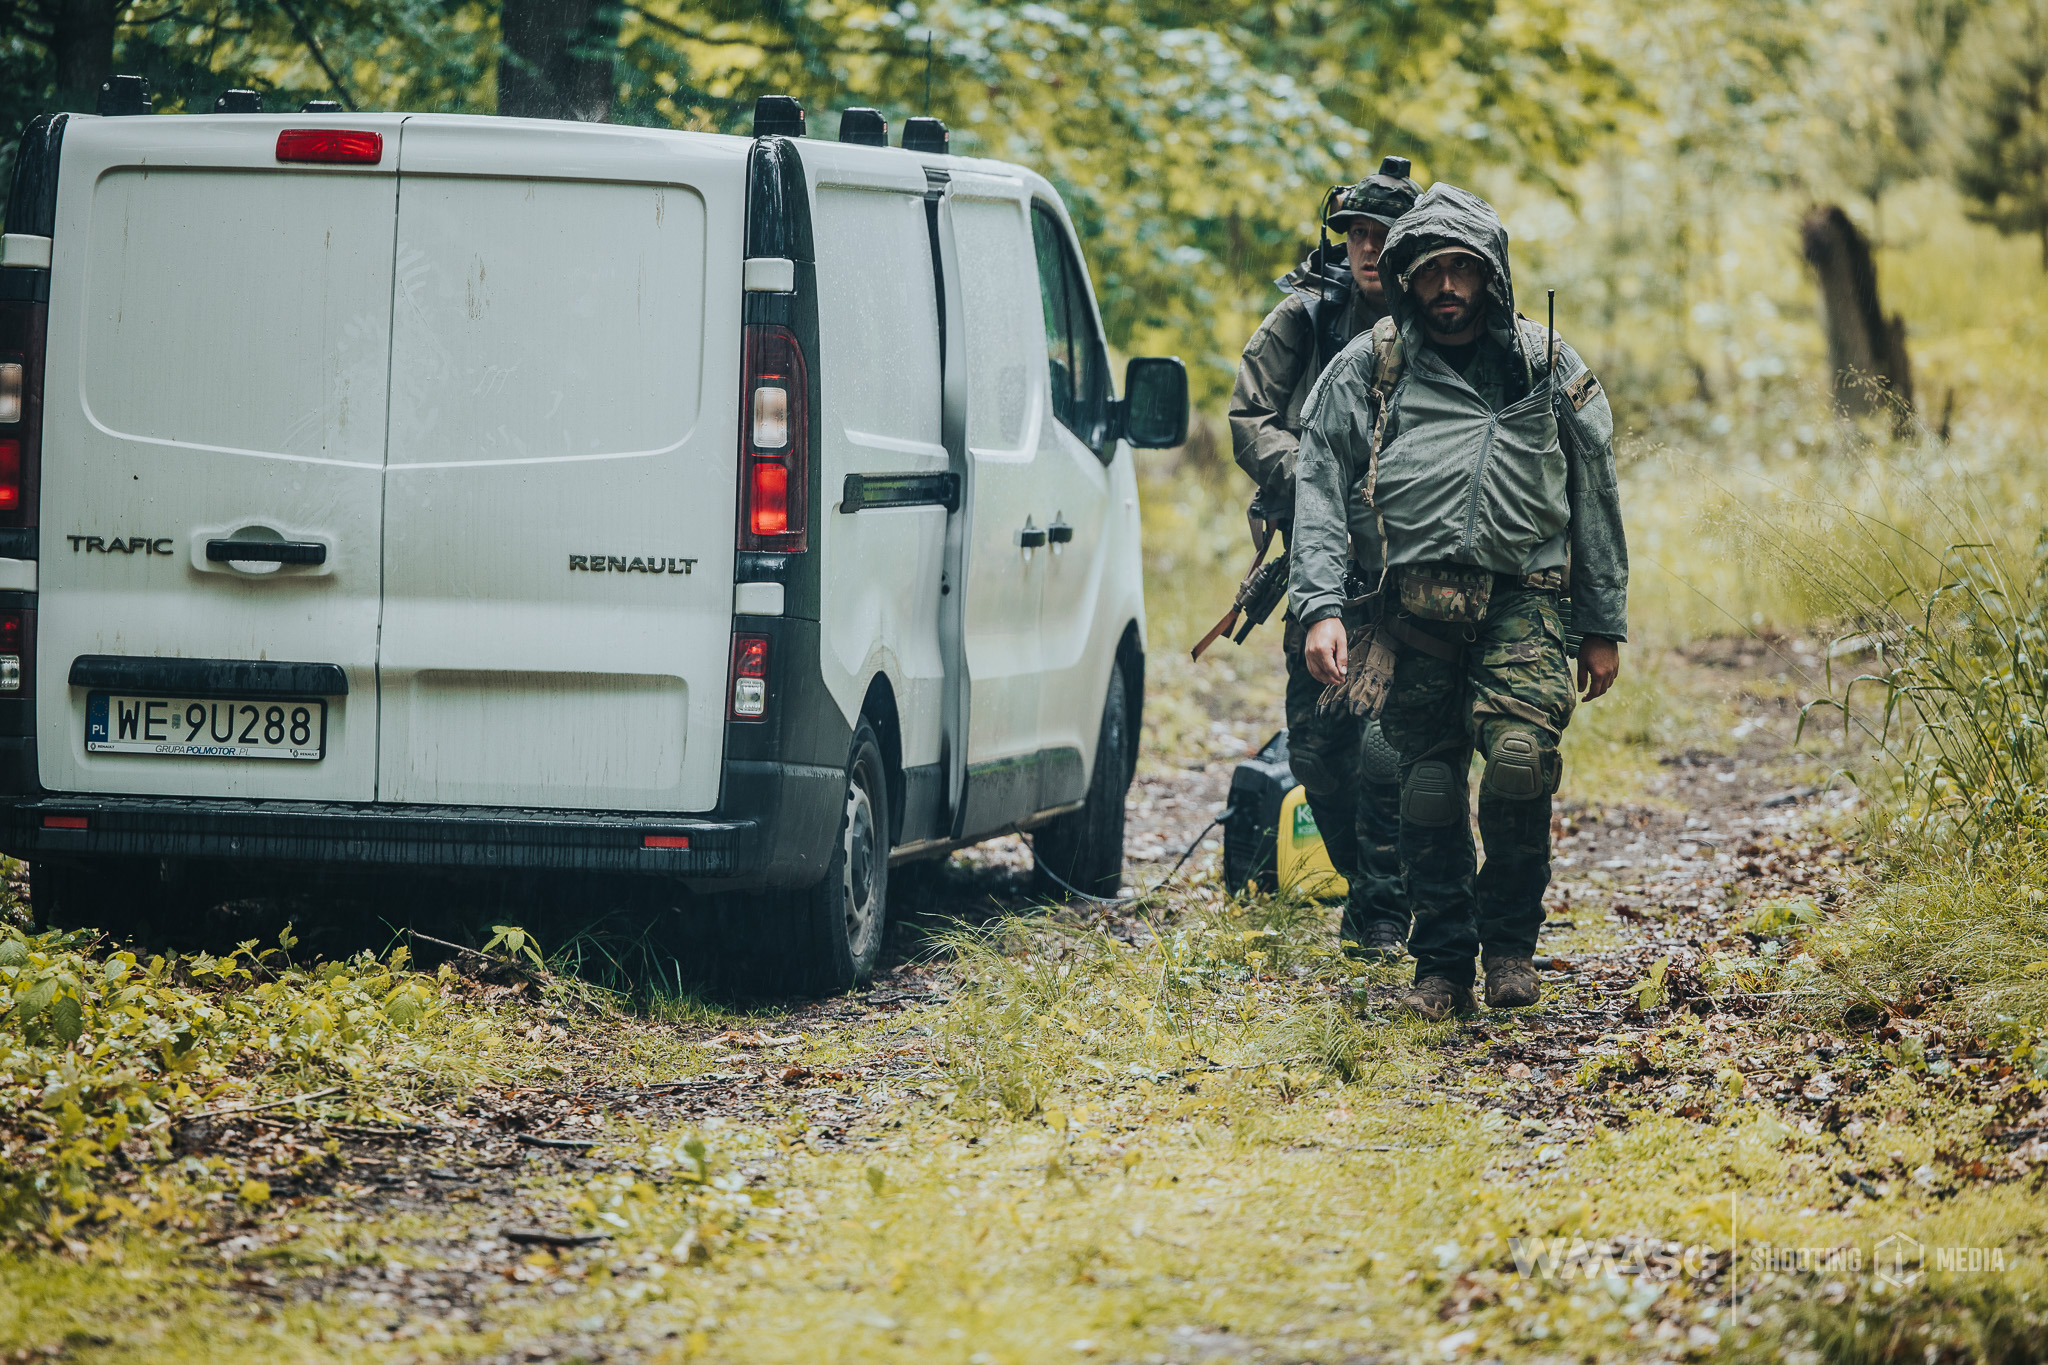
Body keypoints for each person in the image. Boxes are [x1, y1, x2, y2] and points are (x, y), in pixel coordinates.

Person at [1287, 184, 1628, 1020]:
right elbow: (1320, 482)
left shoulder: (1542, 361)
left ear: (1491, 276)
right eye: (1431, 269)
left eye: (1462, 269)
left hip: (1525, 600)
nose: (1447, 285)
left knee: (1518, 761)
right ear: (1407, 275)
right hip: (1415, 608)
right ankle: (1442, 964)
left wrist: (1601, 622)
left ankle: (1510, 945)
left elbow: (1596, 487)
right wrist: (1320, 605)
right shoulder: (1371, 365)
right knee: (1427, 786)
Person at [1228, 157, 1420, 956]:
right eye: (1355, 235)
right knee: (1317, 749)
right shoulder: (1305, 316)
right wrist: (1315, 474)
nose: (1366, 248)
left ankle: (1384, 911)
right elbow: (1249, 415)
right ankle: (1375, 886)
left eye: (1381, 235)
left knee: (1390, 748)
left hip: (1412, 566)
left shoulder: (1445, 314)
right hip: (1322, 564)